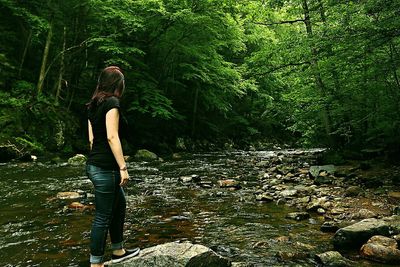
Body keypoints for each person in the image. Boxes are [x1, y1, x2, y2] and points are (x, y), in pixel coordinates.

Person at [86, 66, 139, 267]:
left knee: (119, 206)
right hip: (106, 168)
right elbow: (111, 136)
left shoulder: (92, 105)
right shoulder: (112, 103)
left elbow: (92, 139)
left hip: (94, 165)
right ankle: (96, 263)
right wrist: (123, 168)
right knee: (103, 216)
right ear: (117, 85)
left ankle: (118, 250)